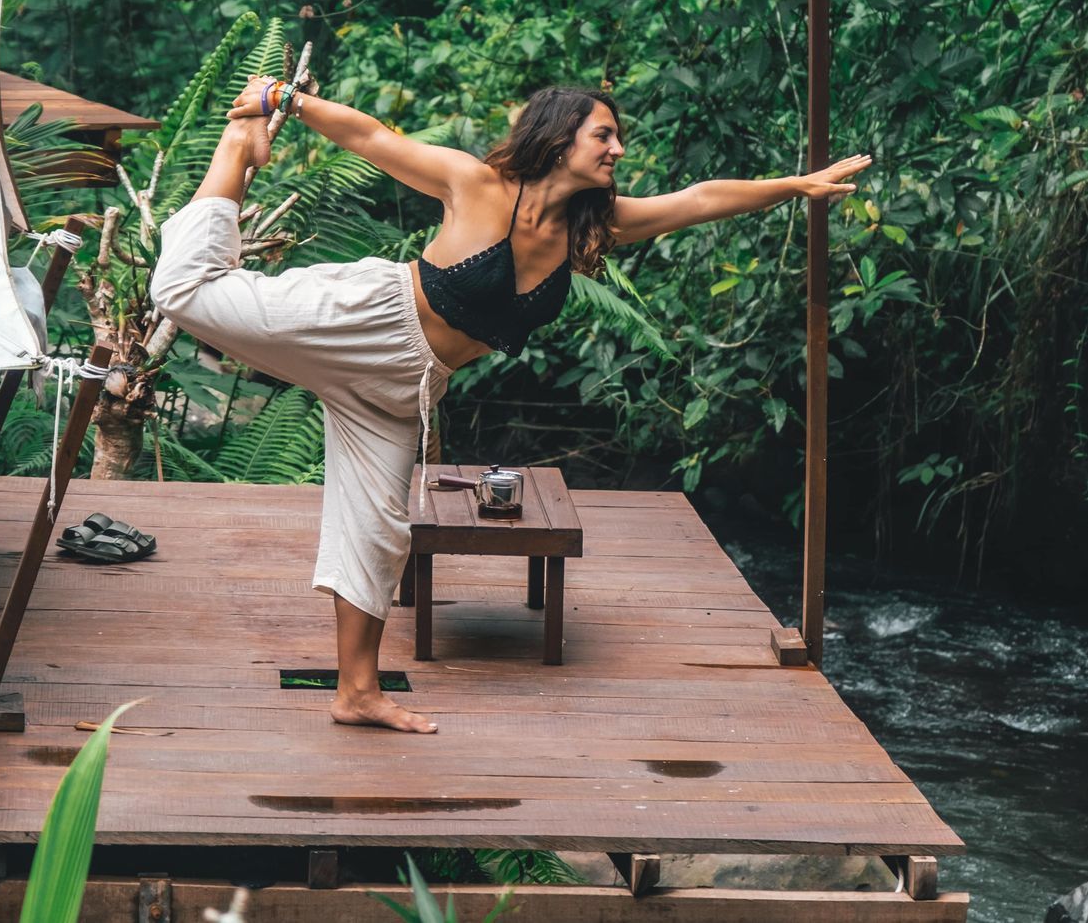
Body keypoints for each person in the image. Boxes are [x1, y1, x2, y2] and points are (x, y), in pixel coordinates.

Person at [149, 78, 870, 733]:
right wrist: (280, 100)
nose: (618, 149)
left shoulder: (595, 226)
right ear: (559, 138)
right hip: (369, 319)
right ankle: (235, 146)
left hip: (412, 382)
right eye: (604, 135)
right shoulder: (476, 185)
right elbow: (374, 138)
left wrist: (795, 187)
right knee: (181, 293)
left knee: (376, 530)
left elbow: (699, 201)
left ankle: (357, 693)